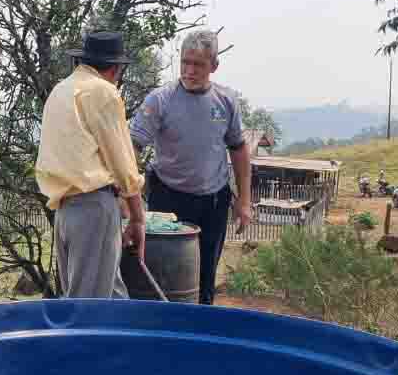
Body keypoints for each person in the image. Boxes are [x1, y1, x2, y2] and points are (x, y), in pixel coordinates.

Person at [130, 29, 252, 305]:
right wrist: (127, 195)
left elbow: (239, 149)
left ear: (214, 66)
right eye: (185, 62)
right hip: (168, 199)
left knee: (205, 277)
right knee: (165, 277)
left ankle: (201, 325)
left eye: (198, 64)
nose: (190, 70)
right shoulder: (160, 99)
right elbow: (132, 147)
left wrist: (244, 201)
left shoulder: (226, 101)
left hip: (213, 201)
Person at [36, 30, 146, 299]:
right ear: (116, 69)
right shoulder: (103, 92)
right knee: (87, 306)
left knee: (112, 297)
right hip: (93, 210)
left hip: (65, 212)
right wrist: (137, 218)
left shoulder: (60, 91)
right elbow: (123, 166)